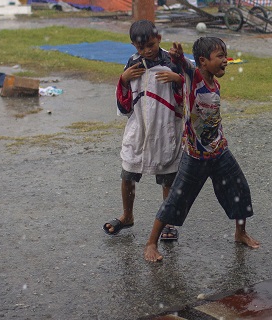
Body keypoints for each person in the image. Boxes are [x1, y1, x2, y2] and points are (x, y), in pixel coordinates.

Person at [143, 37, 260, 262]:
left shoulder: (215, 84)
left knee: (239, 189)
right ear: (203, 61)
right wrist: (178, 57)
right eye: (220, 57)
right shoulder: (194, 78)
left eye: (225, 56)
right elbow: (185, 66)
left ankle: (240, 233)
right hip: (195, 156)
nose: (225, 61)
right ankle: (151, 243)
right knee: (176, 199)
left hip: (219, 151)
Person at [102, 20, 184, 242]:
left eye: (151, 45)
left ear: (159, 39)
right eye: (141, 47)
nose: (147, 51)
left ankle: (168, 222)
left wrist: (177, 79)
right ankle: (127, 215)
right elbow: (125, 103)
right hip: (139, 127)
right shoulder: (133, 64)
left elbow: (187, 92)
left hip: (164, 127)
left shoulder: (172, 62)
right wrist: (124, 80)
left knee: (167, 177)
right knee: (128, 173)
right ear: (133, 46)